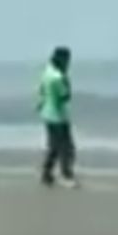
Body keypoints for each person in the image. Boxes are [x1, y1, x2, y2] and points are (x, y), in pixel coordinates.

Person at [37, 46, 78, 188]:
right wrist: (67, 80)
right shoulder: (58, 77)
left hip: (47, 114)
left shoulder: (47, 72)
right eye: (67, 60)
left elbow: (41, 90)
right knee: (66, 148)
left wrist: (41, 104)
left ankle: (47, 173)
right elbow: (65, 96)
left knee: (53, 146)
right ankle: (67, 175)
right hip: (58, 116)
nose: (69, 63)